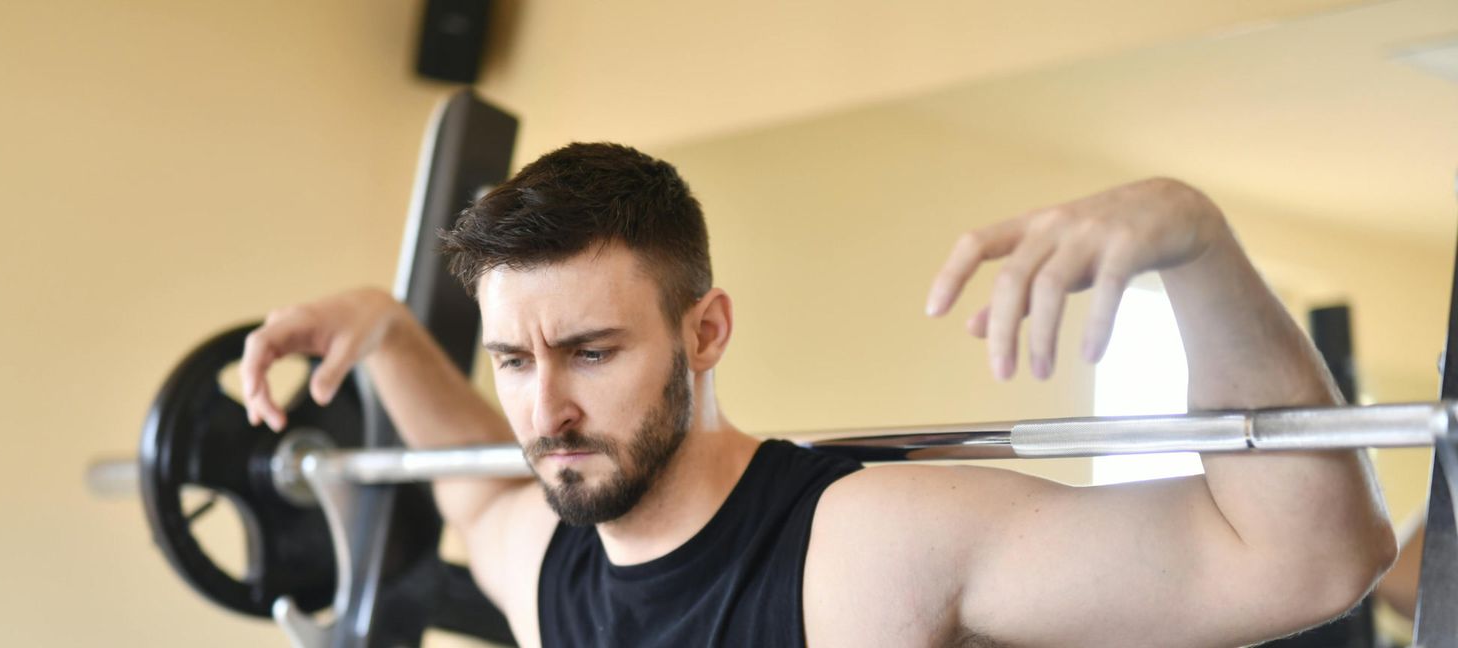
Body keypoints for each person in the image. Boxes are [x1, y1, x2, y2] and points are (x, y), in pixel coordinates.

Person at [239, 142, 1396, 647]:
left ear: (706, 331)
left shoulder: (863, 544)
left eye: (591, 352)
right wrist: (390, 337)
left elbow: (1308, 563)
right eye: (512, 362)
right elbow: (466, 491)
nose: (547, 412)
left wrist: (1193, 240)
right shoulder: (545, 561)